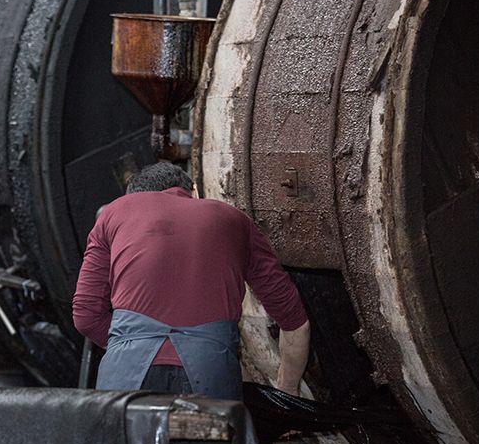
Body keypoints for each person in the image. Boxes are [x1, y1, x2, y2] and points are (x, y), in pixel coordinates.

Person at [72, 162, 310, 398]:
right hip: (211, 370)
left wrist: (130, 343)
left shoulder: (115, 212)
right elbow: (294, 320)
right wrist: (288, 389)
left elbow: (86, 316)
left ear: (135, 197)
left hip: (125, 373)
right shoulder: (233, 219)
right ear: (193, 192)